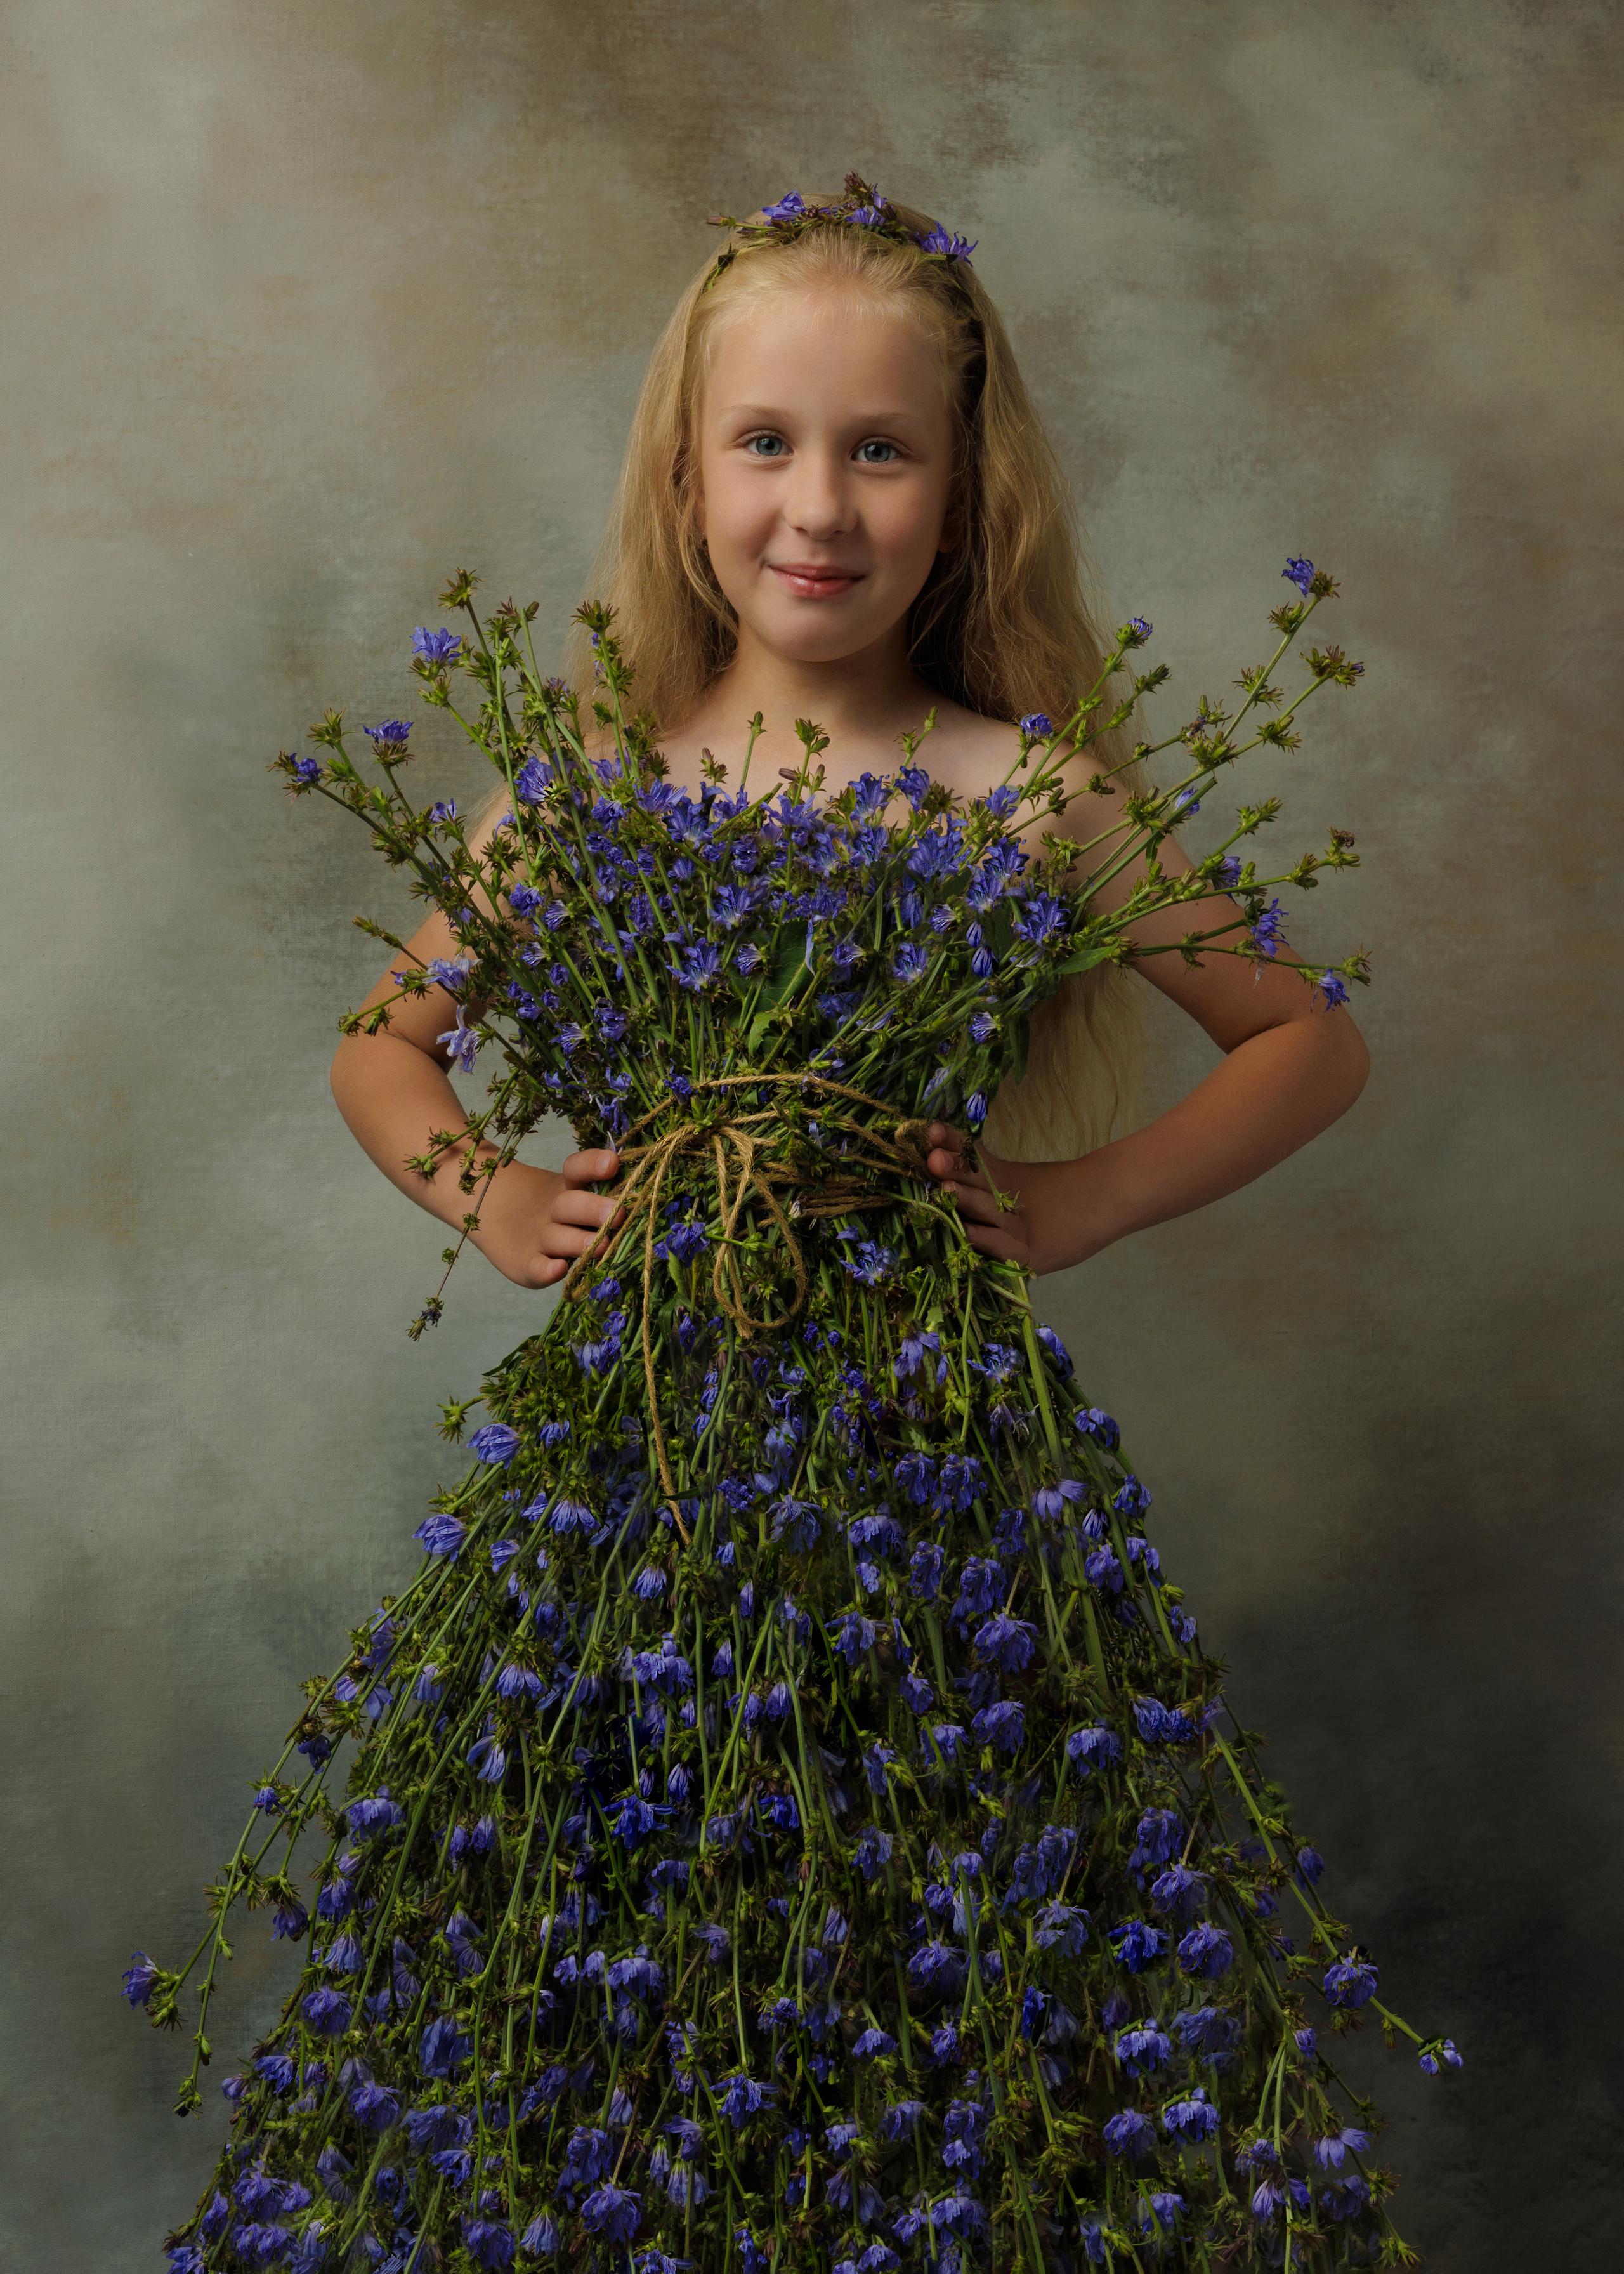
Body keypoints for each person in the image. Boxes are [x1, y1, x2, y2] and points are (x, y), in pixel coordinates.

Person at [132, 180, 1455, 2274]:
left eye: (879, 448)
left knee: (936, 1965)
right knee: (604, 1968)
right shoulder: (582, 799)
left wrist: (1081, 1202)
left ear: (965, 490)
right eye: (765, 443)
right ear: (683, 478)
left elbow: (1303, 1037)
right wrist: (486, 1191)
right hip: (630, 1502)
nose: (816, 505)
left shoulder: (1031, 794)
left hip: (937, 1495)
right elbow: (381, 1053)